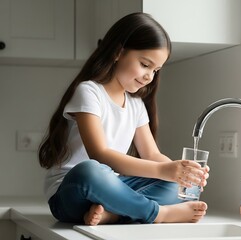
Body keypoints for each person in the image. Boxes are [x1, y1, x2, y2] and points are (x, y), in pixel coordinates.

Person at [38, 12, 209, 225]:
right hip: (73, 193)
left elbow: (152, 154)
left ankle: (115, 215)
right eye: (145, 65)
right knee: (90, 170)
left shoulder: (136, 104)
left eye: (156, 70)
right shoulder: (89, 91)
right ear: (118, 52)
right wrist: (165, 170)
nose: (149, 76)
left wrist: (182, 172)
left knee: (173, 184)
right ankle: (158, 214)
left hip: (113, 193)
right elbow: (99, 154)